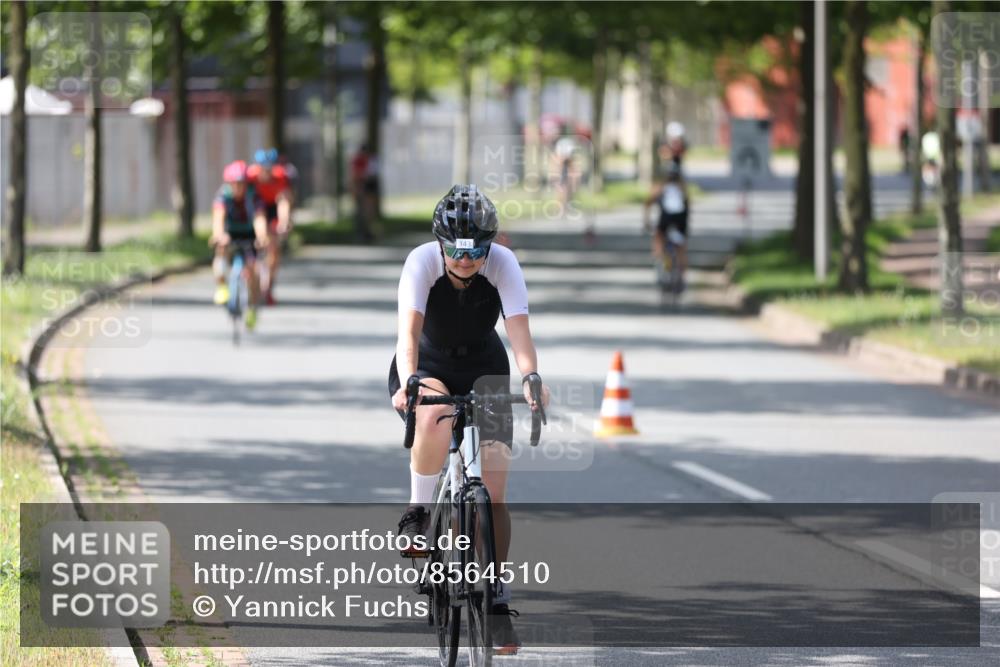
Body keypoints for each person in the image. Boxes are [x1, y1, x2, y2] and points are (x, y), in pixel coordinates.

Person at [388, 184, 550, 655]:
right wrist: (410, 380)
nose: (465, 260)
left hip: (484, 365)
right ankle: (419, 513)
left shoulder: (503, 263)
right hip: (428, 362)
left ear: (489, 245)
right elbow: (408, 331)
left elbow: (519, 329)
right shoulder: (421, 263)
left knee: (494, 493)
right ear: (441, 244)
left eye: (475, 251)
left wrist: (531, 378)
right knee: (436, 412)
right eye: (456, 252)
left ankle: (496, 598)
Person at [210, 160, 267, 329]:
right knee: (221, 249)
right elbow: (218, 218)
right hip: (230, 233)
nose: (238, 187)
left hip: (250, 234)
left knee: (254, 270)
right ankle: (221, 285)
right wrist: (218, 235)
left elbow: (259, 218)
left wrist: (262, 236)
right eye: (235, 184)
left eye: (242, 184)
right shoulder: (222, 196)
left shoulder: (254, 196)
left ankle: (252, 308)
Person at [247, 148, 293, 305]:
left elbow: (284, 201)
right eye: (262, 169)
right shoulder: (250, 176)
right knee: (259, 232)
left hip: (273, 208)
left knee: (274, 251)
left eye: (269, 169)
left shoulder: (280, 176)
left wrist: (284, 221)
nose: (265, 173)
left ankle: (269, 288)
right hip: (257, 207)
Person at [643, 163, 690, 290]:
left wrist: (646, 221)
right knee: (681, 248)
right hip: (681, 222)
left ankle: (658, 262)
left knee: (658, 239)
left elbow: (647, 203)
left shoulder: (661, 187)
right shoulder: (683, 188)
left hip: (666, 220)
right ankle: (682, 276)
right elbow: (687, 209)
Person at [350, 143, 380, 243]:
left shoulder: (369, 160)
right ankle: (362, 233)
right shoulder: (359, 160)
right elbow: (356, 176)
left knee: (367, 213)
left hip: (367, 189)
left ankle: (367, 233)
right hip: (360, 189)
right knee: (361, 213)